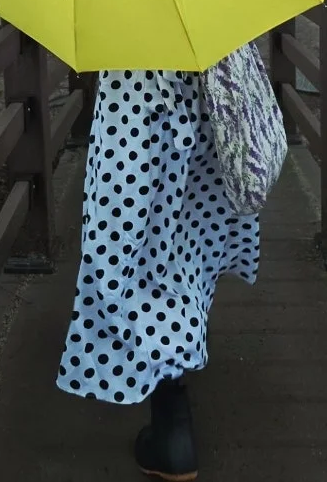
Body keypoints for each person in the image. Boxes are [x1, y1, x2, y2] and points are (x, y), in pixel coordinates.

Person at [57, 56, 263, 482]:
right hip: (208, 89)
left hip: (136, 99)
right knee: (189, 234)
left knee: (138, 250)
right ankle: (180, 360)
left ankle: (172, 426)